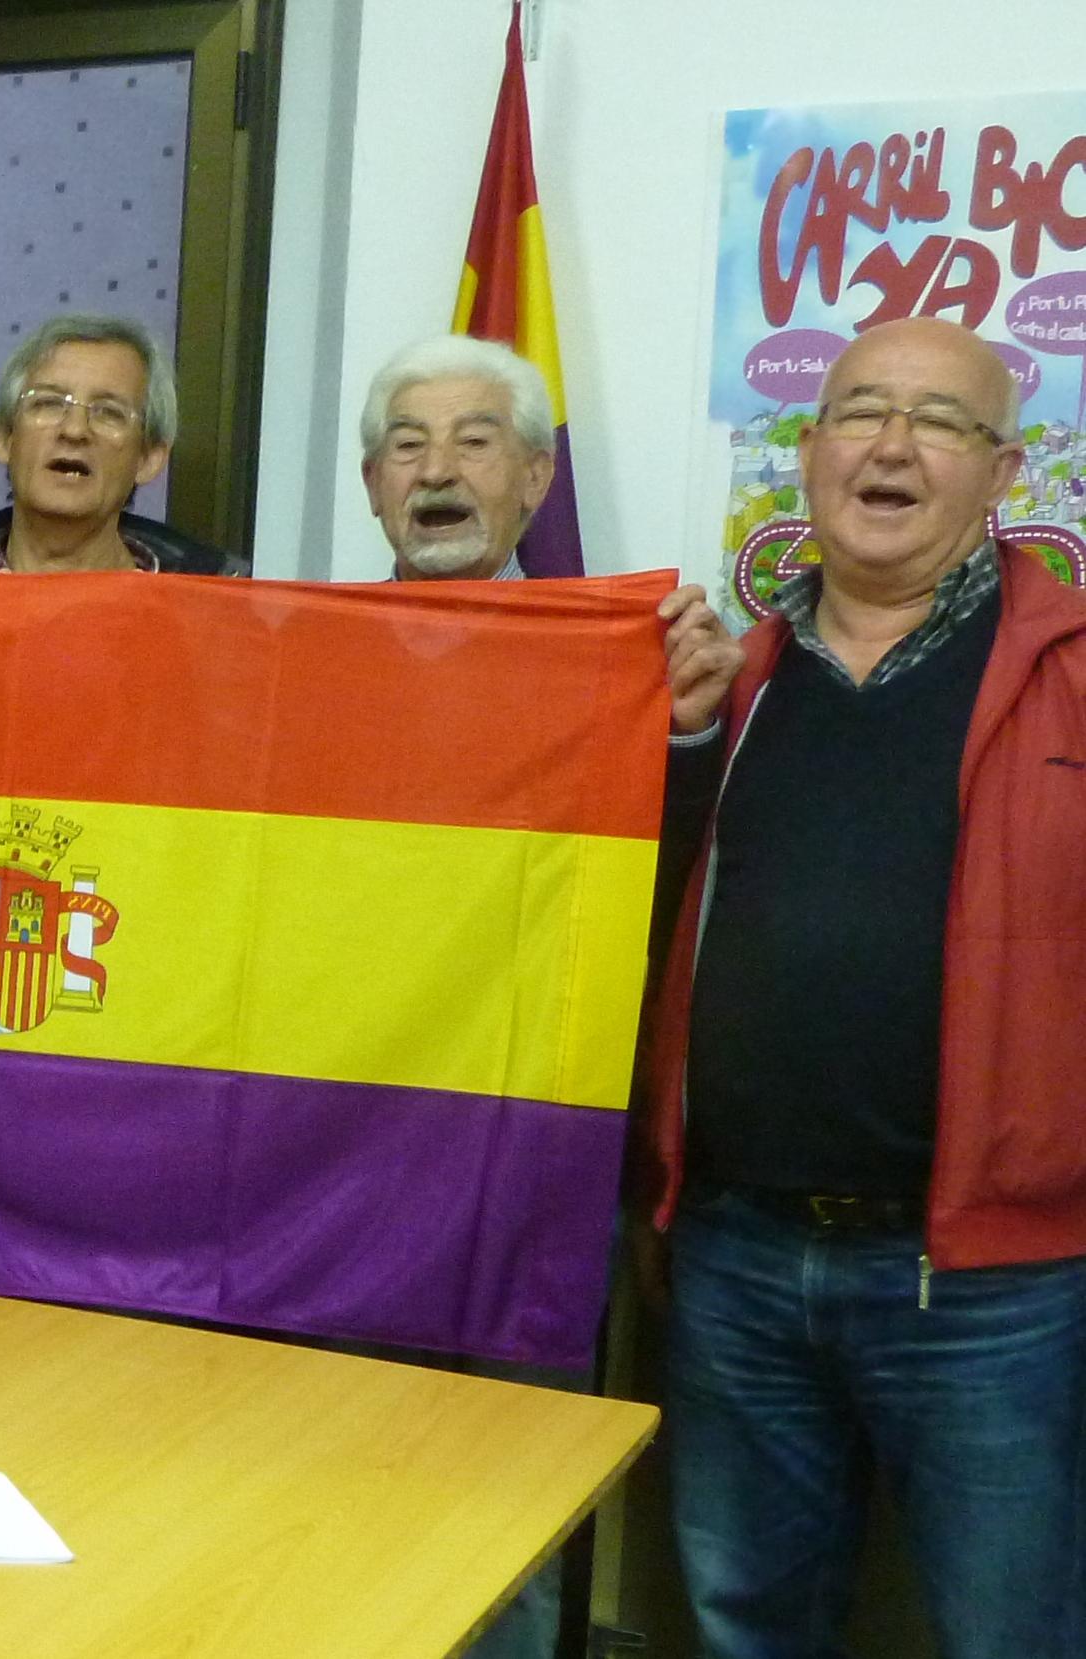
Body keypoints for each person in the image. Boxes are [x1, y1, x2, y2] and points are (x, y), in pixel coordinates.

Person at [639, 317, 1086, 1657]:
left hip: (993, 1282)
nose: (888, 444)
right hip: (729, 1253)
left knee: (1009, 1630)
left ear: (999, 469)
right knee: (741, 1624)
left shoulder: (1068, 668)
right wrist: (680, 742)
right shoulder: (730, 673)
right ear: (809, 449)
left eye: (936, 420)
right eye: (856, 411)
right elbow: (630, 926)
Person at [0, 313, 244, 575]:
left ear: (149, 458)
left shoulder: (209, 619)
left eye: (109, 412)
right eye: (47, 403)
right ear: (3, 438)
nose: (75, 430)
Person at [361, 335, 560, 581]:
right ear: (372, 483)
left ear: (534, 478)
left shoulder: (580, 621)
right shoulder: (317, 620)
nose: (435, 472)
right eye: (409, 444)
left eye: (473, 442)